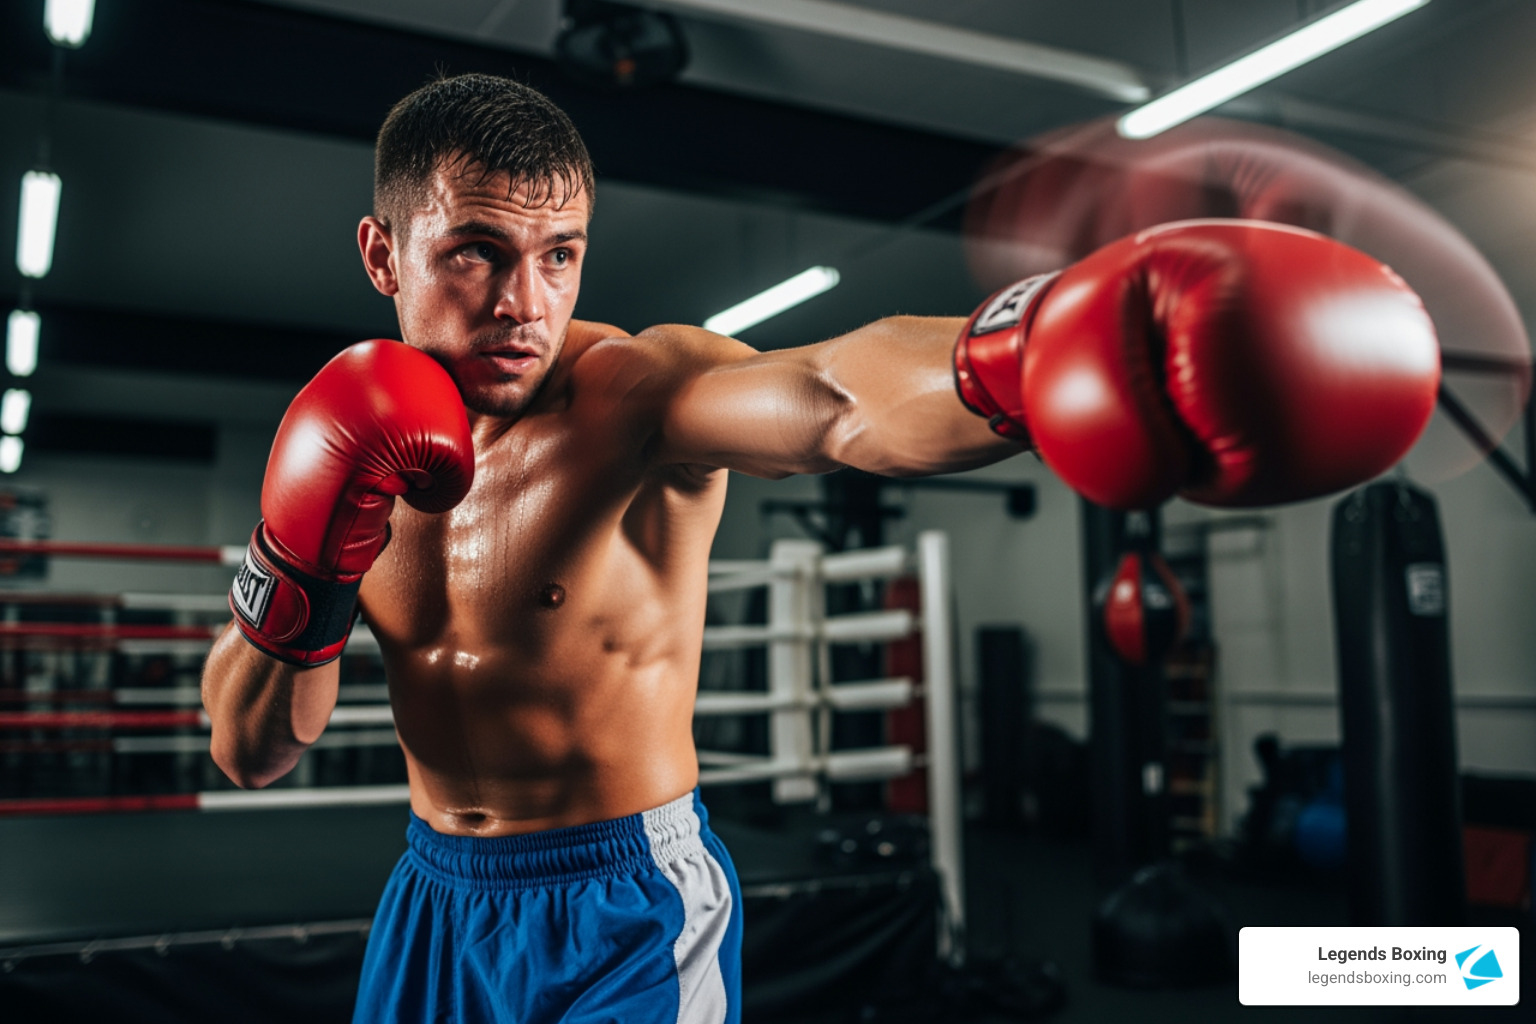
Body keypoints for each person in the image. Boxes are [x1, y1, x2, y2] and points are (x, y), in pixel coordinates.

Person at [200, 74, 1439, 1024]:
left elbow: (835, 394)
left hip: (621, 903)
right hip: (429, 902)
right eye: (477, 250)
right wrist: (302, 560)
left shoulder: (636, 396)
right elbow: (252, 748)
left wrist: (1033, 348)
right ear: (385, 255)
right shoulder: (345, 439)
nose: (526, 301)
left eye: (560, 255)